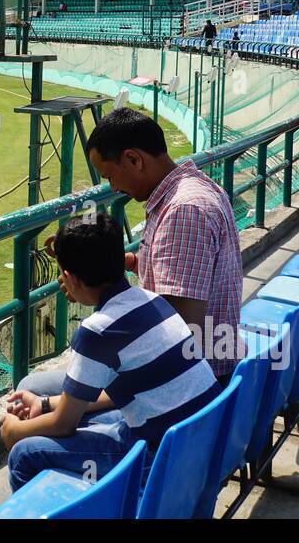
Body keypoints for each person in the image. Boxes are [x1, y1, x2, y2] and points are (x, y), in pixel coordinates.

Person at [1, 214, 218, 492]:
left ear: (69, 278)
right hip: (201, 441)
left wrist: (12, 431)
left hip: (159, 456)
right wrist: (43, 405)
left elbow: (63, 425)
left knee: (24, 454)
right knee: (79, 419)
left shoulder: (96, 332)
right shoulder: (153, 300)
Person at [86, 108, 244, 384]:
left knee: (37, 392)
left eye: (109, 175)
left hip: (190, 383)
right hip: (197, 368)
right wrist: (133, 263)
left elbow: (180, 332)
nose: (112, 187)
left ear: (133, 159)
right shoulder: (192, 187)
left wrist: (97, 293)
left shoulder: (183, 210)